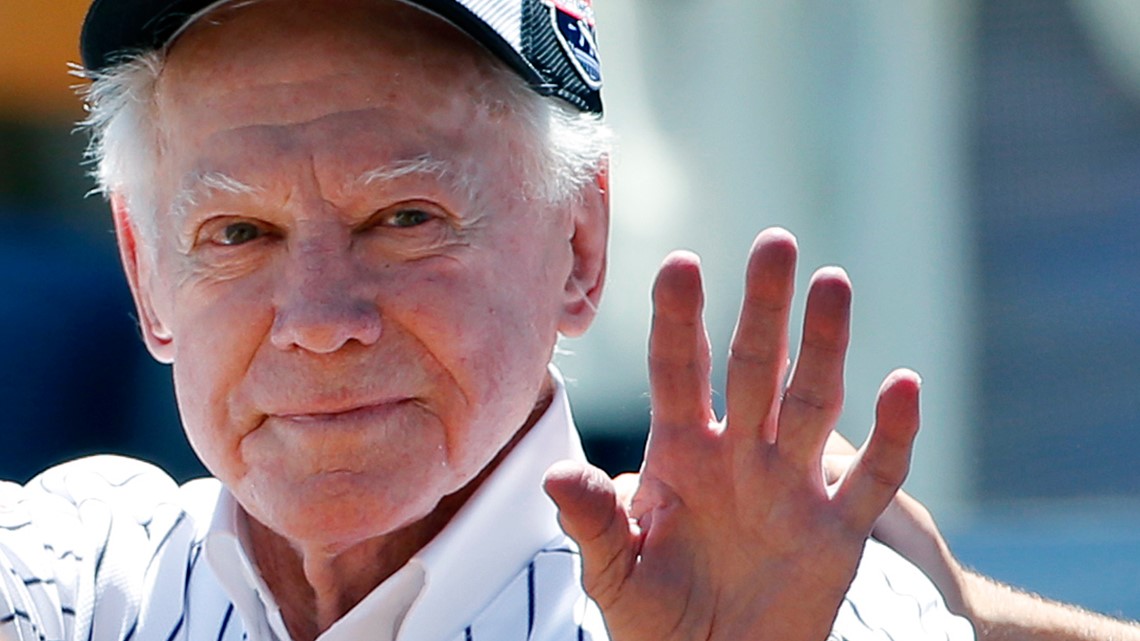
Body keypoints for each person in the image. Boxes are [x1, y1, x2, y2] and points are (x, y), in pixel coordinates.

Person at [0, 1, 973, 639]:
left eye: (405, 218)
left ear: (580, 246)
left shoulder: (803, 609)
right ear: (143, 267)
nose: (320, 318)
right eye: (239, 230)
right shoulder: (69, 580)